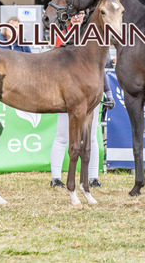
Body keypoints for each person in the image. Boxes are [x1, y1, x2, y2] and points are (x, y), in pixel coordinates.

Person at [51, 11, 102, 188]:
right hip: (68, 91)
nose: (77, 17)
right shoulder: (63, 34)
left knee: (92, 136)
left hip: (89, 91)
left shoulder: (93, 34)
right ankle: (56, 177)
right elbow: (57, 56)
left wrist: (107, 92)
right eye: (74, 15)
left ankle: (93, 177)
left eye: (81, 14)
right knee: (62, 135)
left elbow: (101, 66)